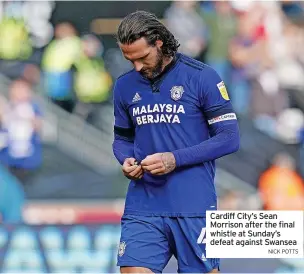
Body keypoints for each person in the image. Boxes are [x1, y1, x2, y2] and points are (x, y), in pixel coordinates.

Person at [112, 11, 240, 274]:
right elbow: (122, 139)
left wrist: (174, 159)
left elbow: (230, 137)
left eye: (142, 58)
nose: (137, 67)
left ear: (158, 42)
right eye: (130, 60)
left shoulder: (202, 77)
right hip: (144, 205)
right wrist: (125, 160)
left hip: (193, 205)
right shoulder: (124, 86)